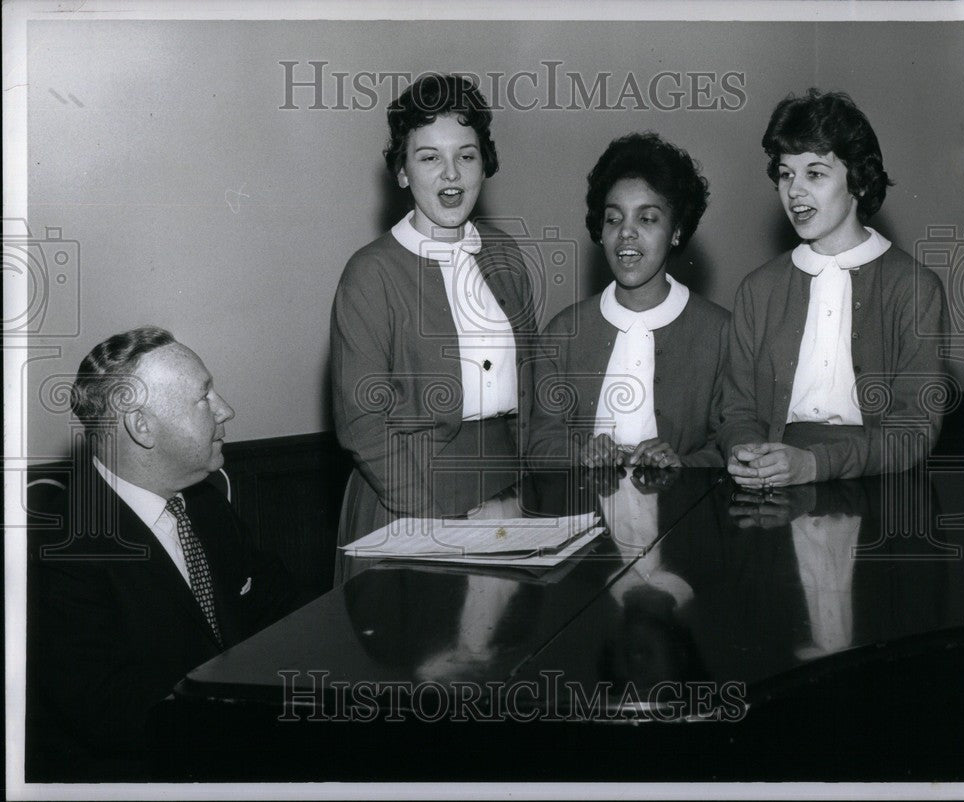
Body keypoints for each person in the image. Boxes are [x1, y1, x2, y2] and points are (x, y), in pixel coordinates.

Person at [27, 327, 297, 779]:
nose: (226, 409)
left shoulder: (206, 503)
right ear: (142, 427)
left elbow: (281, 607)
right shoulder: (62, 551)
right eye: (204, 396)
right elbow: (111, 717)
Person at [331, 74, 536, 547]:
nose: (451, 174)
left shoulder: (506, 257)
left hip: (507, 492)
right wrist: (432, 524)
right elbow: (362, 422)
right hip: (404, 500)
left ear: (484, 165)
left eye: (466, 155)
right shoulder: (369, 274)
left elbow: (534, 384)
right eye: (429, 158)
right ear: (402, 172)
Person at [720, 88, 950, 488]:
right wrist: (748, 452)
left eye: (815, 173)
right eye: (786, 174)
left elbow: (914, 432)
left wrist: (813, 465)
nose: (794, 190)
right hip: (773, 481)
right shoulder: (757, 290)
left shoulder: (914, 287)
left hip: (877, 482)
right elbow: (737, 412)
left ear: (858, 181)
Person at [528, 132, 729, 471]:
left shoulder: (722, 332)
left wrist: (680, 464)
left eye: (647, 218)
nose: (626, 232)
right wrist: (581, 456)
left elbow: (730, 445)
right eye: (614, 218)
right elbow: (540, 445)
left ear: (677, 230)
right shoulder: (563, 333)